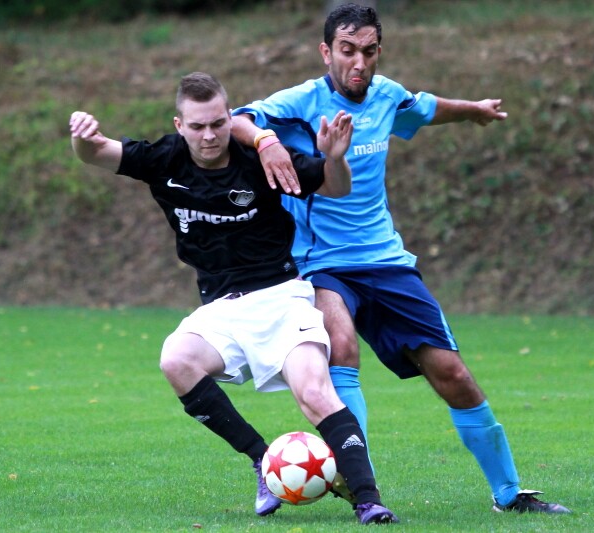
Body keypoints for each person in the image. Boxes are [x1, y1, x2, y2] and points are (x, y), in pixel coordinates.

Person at [231, 4, 571, 515]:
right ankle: (362, 492)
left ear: (378, 52)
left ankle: (509, 494)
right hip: (320, 263)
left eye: (368, 51)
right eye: (347, 50)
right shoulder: (300, 101)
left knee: (453, 374)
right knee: (341, 347)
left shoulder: (388, 95)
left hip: (387, 261)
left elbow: (428, 108)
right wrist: (266, 142)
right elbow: (237, 119)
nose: (358, 62)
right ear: (326, 52)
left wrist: (474, 110)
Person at [69, 71, 399, 524]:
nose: (209, 135)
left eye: (218, 123)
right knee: (176, 360)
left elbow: (335, 185)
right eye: (197, 126)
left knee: (315, 391)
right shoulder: (164, 158)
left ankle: (368, 499)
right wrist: (81, 134)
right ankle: (263, 460)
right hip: (221, 308)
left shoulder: (260, 160)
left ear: (230, 118)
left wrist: (335, 158)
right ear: (180, 125)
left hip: (282, 297)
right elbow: (94, 153)